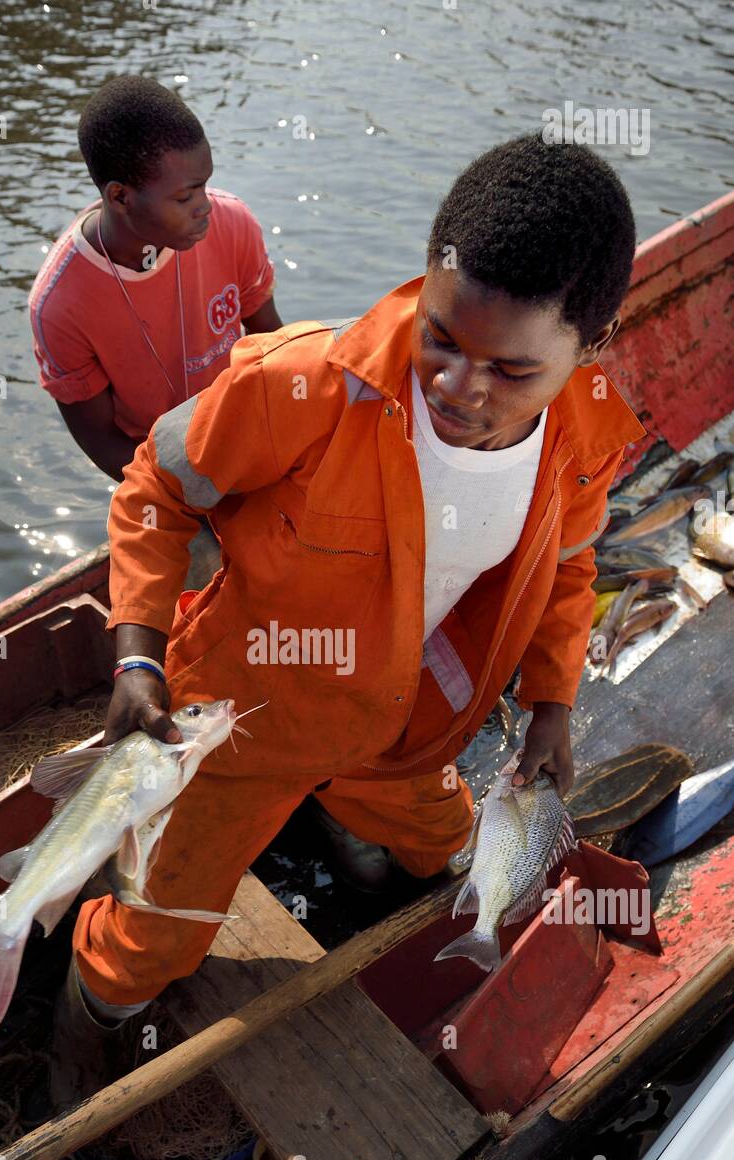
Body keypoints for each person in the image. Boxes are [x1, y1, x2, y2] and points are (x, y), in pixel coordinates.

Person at [50, 132, 644, 1105]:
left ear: (591, 349)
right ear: (427, 277)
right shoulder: (303, 386)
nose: (460, 388)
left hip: (406, 726)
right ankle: (81, 1036)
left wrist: (549, 706)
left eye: (510, 372)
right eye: (442, 339)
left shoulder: (582, 440)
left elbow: (569, 571)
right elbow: (155, 488)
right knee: (153, 935)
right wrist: (135, 656)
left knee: (437, 857)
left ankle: (353, 841)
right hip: (243, 716)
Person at [28, 75, 282, 483]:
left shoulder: (233, 223)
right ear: (121, 198)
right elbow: (99, 437)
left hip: (247, 440)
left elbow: (271, 343)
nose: (205, 207)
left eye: (205, 186)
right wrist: (190, 488)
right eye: (185, 197)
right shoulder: (60, 304)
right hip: (160, 474)